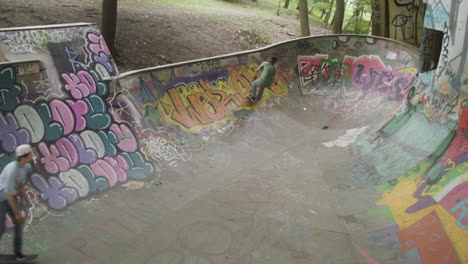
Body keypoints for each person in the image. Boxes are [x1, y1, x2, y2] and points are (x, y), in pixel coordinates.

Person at [0, 144, 33, 261]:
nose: (33, 155)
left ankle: (18, 252)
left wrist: (22, 202)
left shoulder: (25, 167)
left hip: (11, 197)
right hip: (1, 199)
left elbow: (21, 186)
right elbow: (8, 195)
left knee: (19, 224)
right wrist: (17, 214)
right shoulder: (12, 169)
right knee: (1, 228)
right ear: (24, 156)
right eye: (31, 153)